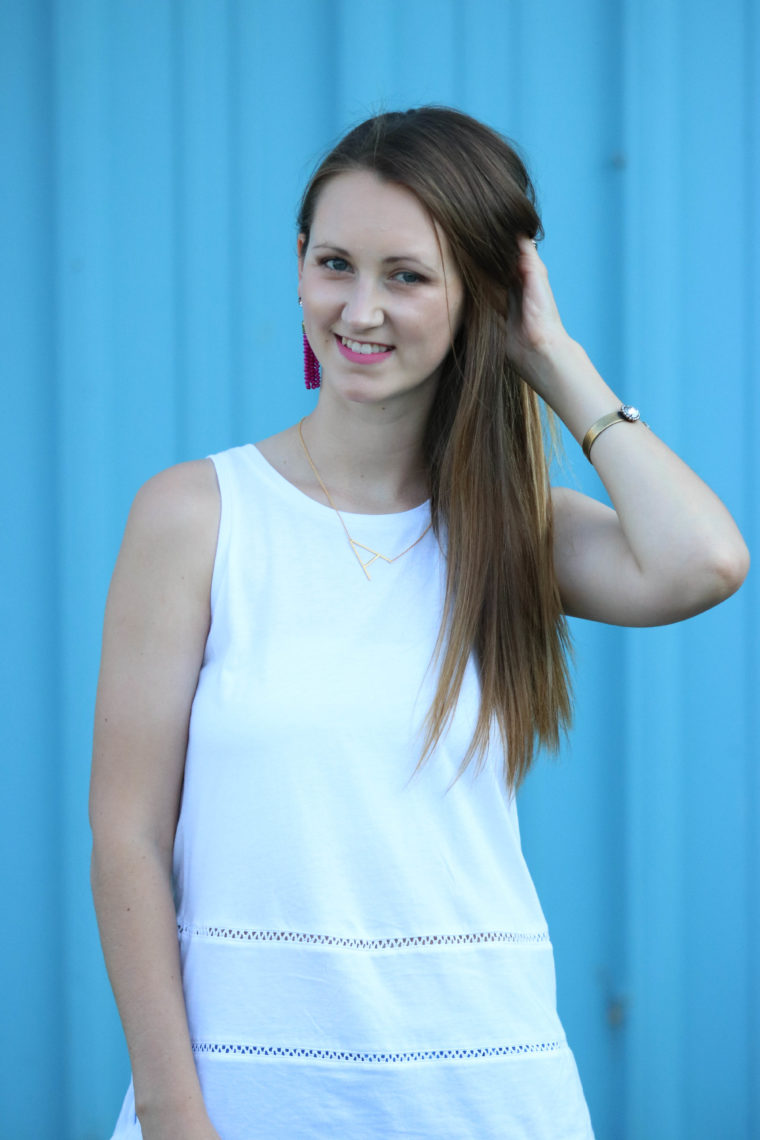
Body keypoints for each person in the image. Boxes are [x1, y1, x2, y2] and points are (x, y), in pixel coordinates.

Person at [90, 107, 749, 1140]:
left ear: (479, 298)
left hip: (482, 1091)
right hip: (242, 1093)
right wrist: (174, 1107)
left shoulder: (510, 530)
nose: (359, 308)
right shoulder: (193, 517)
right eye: (333, 262)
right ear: (298, 267)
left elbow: (702, 562)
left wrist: (551, 354)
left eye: (407, 275)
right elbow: (126, 834)